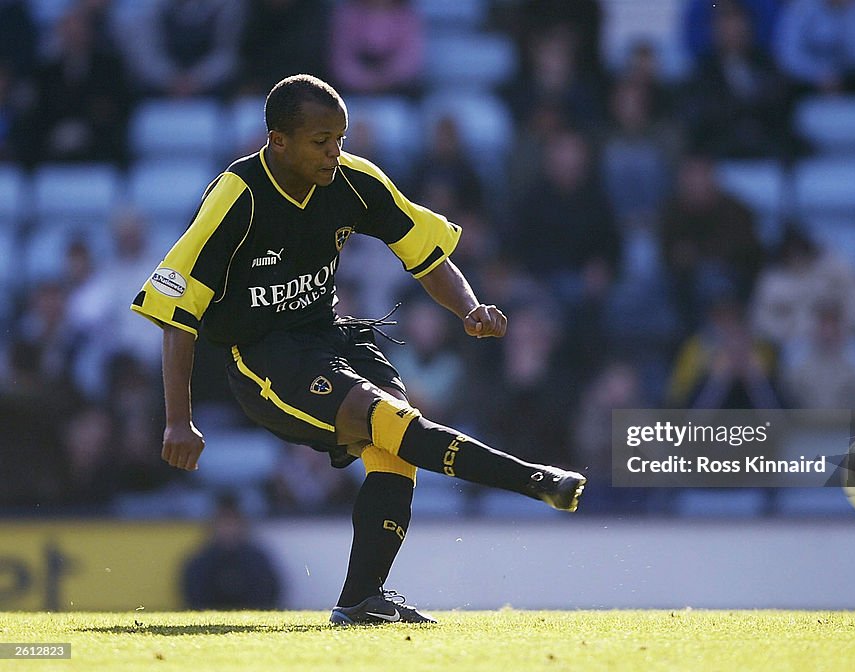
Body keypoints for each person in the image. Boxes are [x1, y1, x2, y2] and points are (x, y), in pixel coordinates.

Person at [130, 74, 586, 625]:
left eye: (340, 138)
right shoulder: (237, 196)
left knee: (394, 447)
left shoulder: (353, 180)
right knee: (390, 422)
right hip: (262, 359)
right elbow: (175, 311)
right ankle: (533, 480)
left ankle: (361, 599)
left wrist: (468, 309)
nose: (334, 152)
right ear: (278, 141)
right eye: (321, 140)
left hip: (331, 336)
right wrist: (178, 420)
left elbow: (426, 252)